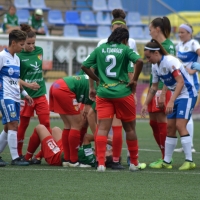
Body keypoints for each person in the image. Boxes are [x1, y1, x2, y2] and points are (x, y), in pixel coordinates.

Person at [81, 27, 146, 172]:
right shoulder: (124, 49)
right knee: (129, 128)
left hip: (104, 93)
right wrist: (134, 80)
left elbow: (85, 66)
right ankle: (134, 163)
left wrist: (97, 80)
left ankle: (101, 164)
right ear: (124, 40)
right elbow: (140, 61)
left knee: (102, 129)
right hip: (123, 93)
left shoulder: (100, 49)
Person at [141, 39, 197, 170]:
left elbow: (181, 82)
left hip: (187, 94)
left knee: (179, 125)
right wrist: (145, 104)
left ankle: (189, 160)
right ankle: (166, 161)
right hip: (176, 95)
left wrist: (171, 100)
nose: (148, 60)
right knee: (170, 128)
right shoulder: (156, 66)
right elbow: (154, 88)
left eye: (148, 57)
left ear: (156, 53)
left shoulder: (170, 62)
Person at [92, 9, 138, 169]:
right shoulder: (127, 43)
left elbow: (91, 67)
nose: (117, 28)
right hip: (119, 90)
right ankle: (115, 160)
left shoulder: (102, 44)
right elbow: (134, 64)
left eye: (120, 25)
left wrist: (95, 84)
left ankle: (106, 161)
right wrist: (133, 84)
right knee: (122, 126)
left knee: (106, 126)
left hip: (104, 89)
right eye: (116, 25)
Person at [0, 30, 33, 167]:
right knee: (13, 123)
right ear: (13, 42)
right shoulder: (2, 56)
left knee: (9, 127)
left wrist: (25, 94)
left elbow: (16, 80)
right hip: (5, 96)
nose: (22, 47)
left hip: (15, 96)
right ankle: (16, 158)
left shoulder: (17, 59)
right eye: (21, 44)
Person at [17, 24, 50, 159]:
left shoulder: (39, 50)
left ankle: (42, 153)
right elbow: (16, 78)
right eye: (28, 43)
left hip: (41, 94)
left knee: (46, 124)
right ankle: (18, 153)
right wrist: (28, 86)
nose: (31, 46)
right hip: (26, 96)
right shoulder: (18, 56)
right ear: (22, 43)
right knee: (23, 125)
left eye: (33, 43)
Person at [146, 16, 176, 168]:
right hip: (154, 88)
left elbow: (171, 71)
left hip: (164, 89)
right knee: (153, 123)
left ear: (157, 29)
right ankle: (163, 155)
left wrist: (163, 93)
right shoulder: (155, 45)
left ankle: (166, 159)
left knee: (162, 122)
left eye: (150, 29)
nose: (149, 32)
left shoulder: (168, 46)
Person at [49, 75, 95, 167]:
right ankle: (74, 161)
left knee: (68, 125)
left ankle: (67, 159)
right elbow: (92, 115)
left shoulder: (97, 79)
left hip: (56, 85)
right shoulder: (103, 86)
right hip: (64, 89)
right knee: (77, 124)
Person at [23, 124, 115, 168]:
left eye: (110, 151)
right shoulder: (95, 156)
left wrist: (106, 141)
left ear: (105, 159)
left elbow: (86, 137)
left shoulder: (91, 158)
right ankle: (40, 155)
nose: (109, 148)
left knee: (40, 128)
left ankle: (28, 158)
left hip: (56, 155)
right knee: (55, 129)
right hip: (66, 150)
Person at [174, 24, 200, 153]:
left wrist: (195, 69)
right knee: (184, 116)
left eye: (183, 32)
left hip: (191, 84)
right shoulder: (179, 46)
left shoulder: (194, 43)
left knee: (187, 115)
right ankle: (186, 144)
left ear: (189, 33)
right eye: (179, 32)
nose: (180, 35)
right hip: (181, 84)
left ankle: (189, 146)